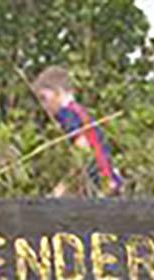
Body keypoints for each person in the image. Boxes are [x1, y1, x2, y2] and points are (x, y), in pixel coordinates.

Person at [31, 66, 123, 197]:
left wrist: (62, 188)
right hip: (109, 179)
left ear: (58, 92)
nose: (43, 106)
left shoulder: (68, 114)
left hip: (97, 183)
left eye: (44, 98)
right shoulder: (80, 112)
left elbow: (82, 151)